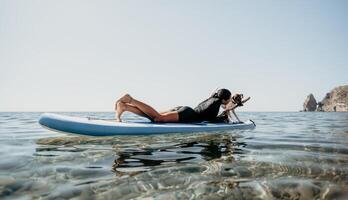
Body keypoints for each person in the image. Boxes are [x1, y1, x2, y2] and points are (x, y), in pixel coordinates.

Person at [114, 89, 250, 123]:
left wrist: (233, 101)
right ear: (225, 99)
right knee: (158, 117)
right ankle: (130, 99)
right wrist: (233, 107)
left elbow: (225, 105)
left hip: (184, 109)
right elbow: (215, 116)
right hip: (187, 115)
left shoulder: (212, 98)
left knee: (153, 116)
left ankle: (125, 107)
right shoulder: (216, 104)